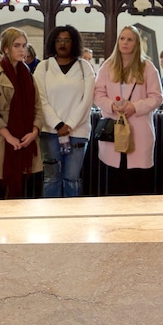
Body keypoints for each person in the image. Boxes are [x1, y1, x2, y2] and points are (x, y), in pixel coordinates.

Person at [93, 25, 163, 195]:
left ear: (137, 44)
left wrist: (135, 107)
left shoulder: (147, 67)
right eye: (122, 39)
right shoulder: (107, 66)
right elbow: (97, 94)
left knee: (138, 182)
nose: (125, 42)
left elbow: (157, 97)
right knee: (115, 180)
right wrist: (111, 105)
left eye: (129, 39)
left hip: (139, 130)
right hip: (113, 128)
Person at [0, 27, 43, 200]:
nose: (22, 50)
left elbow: (38, 107)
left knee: (24, 199)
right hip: (0, 142)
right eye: (17, 45)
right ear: (6, 48)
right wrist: (9, 136)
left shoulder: (28, 74)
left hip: (26, 141)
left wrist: (34, 131)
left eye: (24, 45)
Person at [34, 25, 95, 198]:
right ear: (52, 43)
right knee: (52, 178)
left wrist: (70, 125)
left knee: (71, 178)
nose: (62, 44)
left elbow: (87, 100)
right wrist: (58, 124)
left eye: (67, 40)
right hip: (49, 131)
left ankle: (72, 218)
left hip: (78, 131)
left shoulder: (85, 67)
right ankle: (50, 217)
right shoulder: (43, 67)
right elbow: (40, 99)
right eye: (59, 40)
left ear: (73, 43)